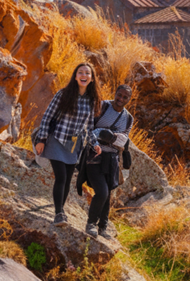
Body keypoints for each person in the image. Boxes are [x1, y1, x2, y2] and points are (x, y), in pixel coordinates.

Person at [34, 63, 102, 227]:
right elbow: (47, 117)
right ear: (75, 76)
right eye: (80, 72)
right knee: (61, 177)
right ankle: (59, 214)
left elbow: (88, 127)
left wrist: (95, 143)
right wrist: (41, 139)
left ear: (92, 79)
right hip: (56, 140)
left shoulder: (91, 101)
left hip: (73, 145)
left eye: (87, 73)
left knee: (67, 179)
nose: (84, 75)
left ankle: (61, 211)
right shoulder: (63, 94)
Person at [83, 85, 133, 238]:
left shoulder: (128, 118)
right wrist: (104, 136)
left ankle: (103, 228)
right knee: (102, 192)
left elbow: (123, 140)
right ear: (115, 93)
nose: (120, 99)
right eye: (119, 95)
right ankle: (91, 224)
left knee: (108, 194)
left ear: (129, 99)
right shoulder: (102, 106)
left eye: (125, 97)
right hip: (94, 155)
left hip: (112, 159)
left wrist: (108, 136)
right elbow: (88, 129)